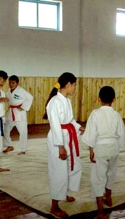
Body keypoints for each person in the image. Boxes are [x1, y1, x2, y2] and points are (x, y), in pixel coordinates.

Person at [82, 86, 125, 219]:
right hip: (113, 148)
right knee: (111, 174)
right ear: (114, 99)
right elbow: (121, 134)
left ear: (99, 98)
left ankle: (100, 212)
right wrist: (118, 148)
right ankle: (109, 198)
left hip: (100, 148)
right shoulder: (116, 115)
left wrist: (91, 149)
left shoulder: (95, 114)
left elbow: (91, 134)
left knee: (98, 178)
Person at [44, 72, 84, 218]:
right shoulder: (54, 102)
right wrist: (60, 145)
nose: (75, 88)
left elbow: (70, 120)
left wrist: (79, 127)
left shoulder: (66, 100)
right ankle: (54, 206)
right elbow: (55, 125)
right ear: (68, 85)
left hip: (68, 136)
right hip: (58, 139)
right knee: (59, 172)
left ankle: (64, 193)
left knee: (73, 166)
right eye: (74, 85)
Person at [3, 75, 33, 155]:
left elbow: (30, 97)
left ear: (17, 83)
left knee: (22, 132)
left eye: (13, 83)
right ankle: (9, 145)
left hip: (20, 113)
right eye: (9, 83)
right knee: (5, 129)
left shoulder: (21, 91)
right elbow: (8, 98)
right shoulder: (9, 90)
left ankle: (23, 149)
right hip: (11, 112)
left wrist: (24, 107)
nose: (11, 84)